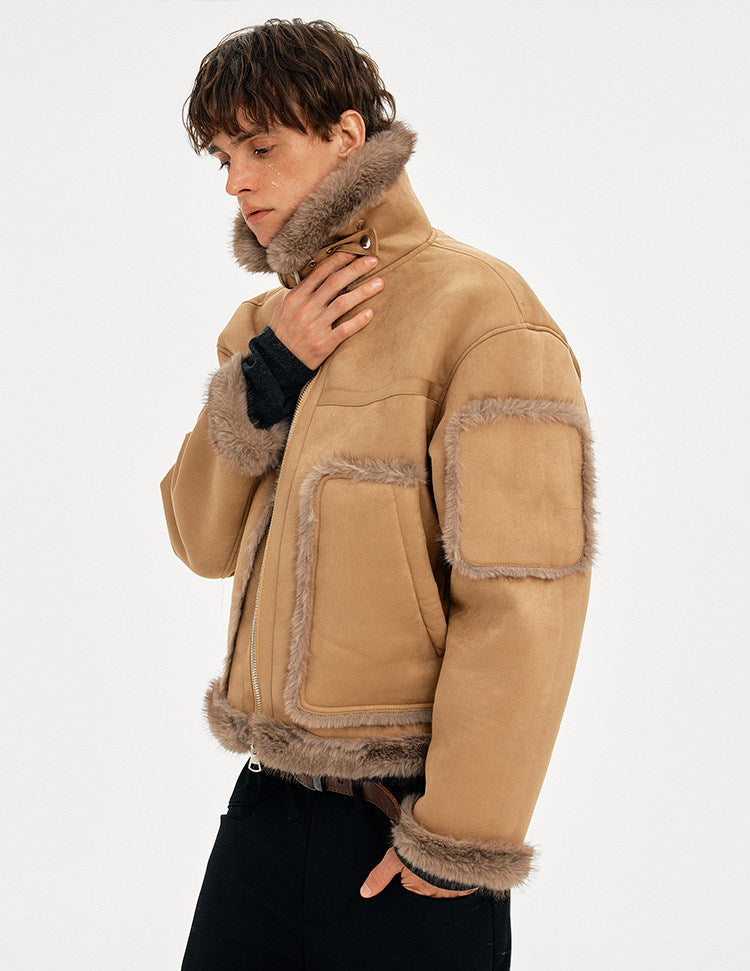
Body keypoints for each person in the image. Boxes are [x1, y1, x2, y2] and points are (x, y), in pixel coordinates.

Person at [161, 18, 596, 970]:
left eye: (260, 148)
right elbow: (199, 538)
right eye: (224, 157)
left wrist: (460, 835)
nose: (235, 182)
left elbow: (524, 597)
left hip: (402, 828)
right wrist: (270, 372)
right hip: (265, 814)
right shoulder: (262, 327)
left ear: (346, 135)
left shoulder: (483, 315)